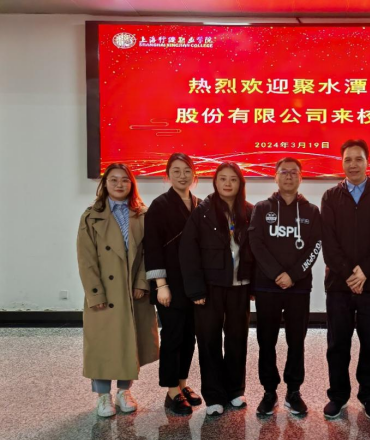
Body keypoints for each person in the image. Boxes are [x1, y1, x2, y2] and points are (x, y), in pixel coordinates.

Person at [320, 139, 370, 421]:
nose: (353, 164)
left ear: (367, 161)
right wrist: (349, 274)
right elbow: (329, 242)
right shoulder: (330, 196)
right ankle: (338, 396)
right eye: (348, 159)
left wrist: (364, 271)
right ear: (342, 163)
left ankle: (369, 395)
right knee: (337, 344)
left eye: (358, 159)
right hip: (338, 285)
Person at [77, 163, 159, 418]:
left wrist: (142, 283)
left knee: (130, 343)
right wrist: (95, 293)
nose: (119, 184)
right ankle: (103, 396)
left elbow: (149, 253)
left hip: (133, 291)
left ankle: (125, 391)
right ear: (105, 184)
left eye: (125, 180)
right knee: (102, 344)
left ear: (132, 184)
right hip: (105, 292)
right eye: (113, 180)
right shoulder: (91, 216)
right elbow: (86, 259)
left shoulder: (143, 214)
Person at [248, 157, 322, 417]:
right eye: (283, 172)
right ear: (275, 177)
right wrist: (276, 274)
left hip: (298, 288)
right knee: (266, 341)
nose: (288, 176)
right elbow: (256, 244)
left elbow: (315, 247)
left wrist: (293, 275)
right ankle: (269, 392)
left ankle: (293, 391)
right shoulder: (261, 208)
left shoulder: (312, 211)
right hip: (267, 287)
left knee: (296, 341)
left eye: (293, 172)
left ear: (300, 177)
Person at [179, 162, 254, 417]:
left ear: (240, 183)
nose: (227, 183)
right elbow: (188, 252)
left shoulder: (249, 211)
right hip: (210, 289)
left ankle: (235, 390)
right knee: (209, 340)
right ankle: (213, 395)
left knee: (237, 339)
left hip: (239, 286)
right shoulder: (202, 212)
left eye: (233, 179)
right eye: (222, 178)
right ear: (215, 182)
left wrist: (254, 284)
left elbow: (256, 251)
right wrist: (196, 290)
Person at [144, 153, 202, 415]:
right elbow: (152, 247)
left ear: (194, 175)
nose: (182, 176)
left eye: (187, 170)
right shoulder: (160, 205)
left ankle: (182, 384)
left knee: (189, 337)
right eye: (176, 171)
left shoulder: (199, 204)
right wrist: (161, 285)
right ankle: (170, 391)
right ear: (167, 175)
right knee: (172, 337)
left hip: (192, 285)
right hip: (170, 284)